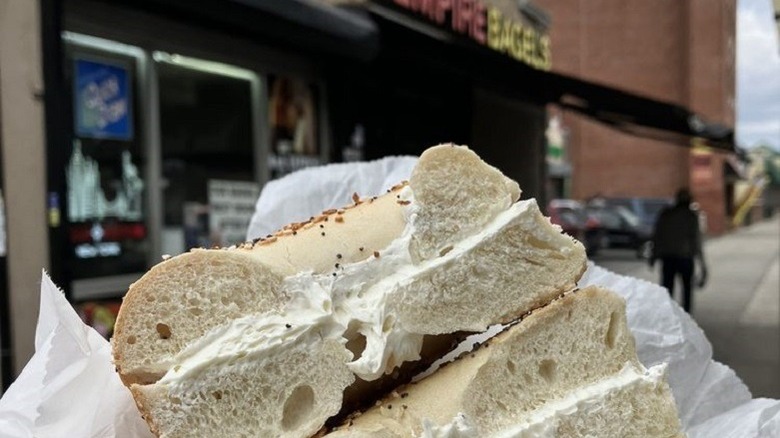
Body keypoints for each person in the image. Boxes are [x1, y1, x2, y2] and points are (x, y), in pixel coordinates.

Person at [649, 188, 708, 312]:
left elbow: (657, 235)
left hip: (668, 258)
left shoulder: (666, 214)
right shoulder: (691, 216)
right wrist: (703, 266)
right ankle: (686, 315)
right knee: (687, 290)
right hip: (685, 258)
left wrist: (653, 256)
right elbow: (696, 241)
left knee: (667, 289)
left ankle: (668, 315)